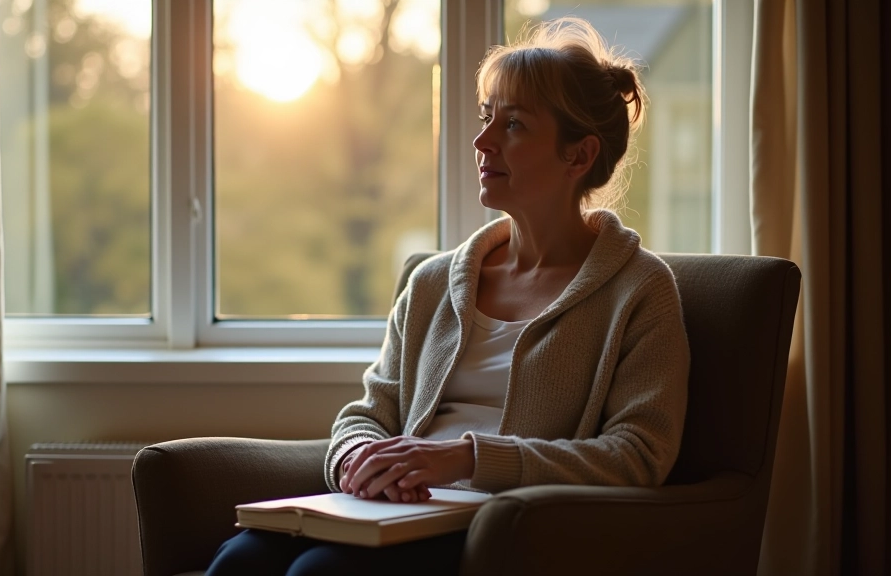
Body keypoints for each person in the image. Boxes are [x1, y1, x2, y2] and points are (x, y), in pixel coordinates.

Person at [207, 16, 689, 576]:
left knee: (318, 573)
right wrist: (360, 460)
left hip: (504, 530)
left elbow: (638, 455)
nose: (482, 142)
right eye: (486, 118)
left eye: (513, 125)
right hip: (393, 511)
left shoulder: (638, 291)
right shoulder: (434, 282)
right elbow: (368, 413)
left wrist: (466, 457)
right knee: (237, 562)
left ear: (577, 156)